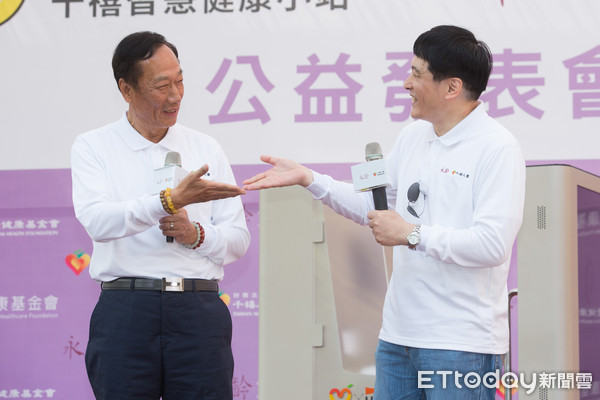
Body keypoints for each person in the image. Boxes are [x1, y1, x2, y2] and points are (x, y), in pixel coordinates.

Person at [243, 25, 525, 400]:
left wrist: (411, 233)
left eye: (417, 74)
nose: (406, 83)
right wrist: (309, 178)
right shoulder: (412, 136)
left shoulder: (498, 148)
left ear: (452, 87)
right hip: (397, 339)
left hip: (460, 344)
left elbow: (492, 244)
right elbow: (371, 204)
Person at [71, 31, 250, 400]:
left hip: (198, 312)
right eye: (162, 86)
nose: (175, 96)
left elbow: (237, 241)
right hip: (126, 311)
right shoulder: (94, 146)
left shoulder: (205, 147)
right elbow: (98, 222)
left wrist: (195, 234)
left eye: (180, 81)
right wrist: (167, 201)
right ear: (127, 89)